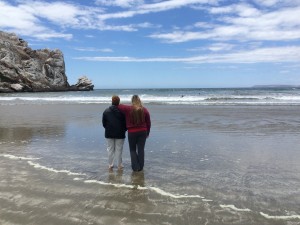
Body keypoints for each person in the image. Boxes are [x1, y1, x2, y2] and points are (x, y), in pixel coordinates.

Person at [118, 95, 151, 172]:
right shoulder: (144, 110)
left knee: (132, 150)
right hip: (143, 131)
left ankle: (135, 167)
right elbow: (148, 123)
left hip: (132, 132)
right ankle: (141, 167)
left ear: (132, 101)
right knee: (141, 149)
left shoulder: (128, 109)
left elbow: (118, 106)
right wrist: (148, 132)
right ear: (139, 100)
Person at [102, 95, 127, 170]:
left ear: (112, 102)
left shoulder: (106, 111)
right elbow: (125, 123)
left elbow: (104, 123)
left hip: (109, 133)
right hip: (120, 133)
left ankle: (110, 164)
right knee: (119, 149)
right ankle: (119, 165)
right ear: (118, 102)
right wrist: (124, 130)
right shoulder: (122, 112)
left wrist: (107, 128)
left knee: (110, 149)